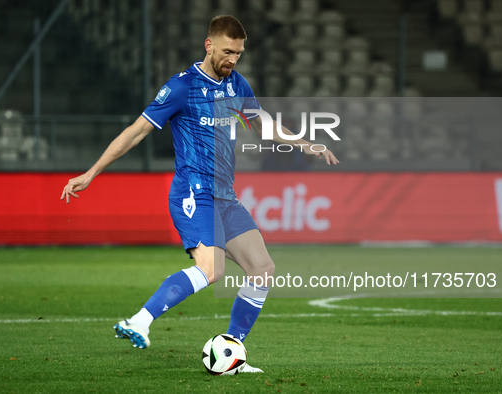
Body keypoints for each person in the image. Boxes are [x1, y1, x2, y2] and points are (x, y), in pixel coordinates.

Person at [61, 15, 339, 373]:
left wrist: (304, 143)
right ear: (209, 46)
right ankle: (139, 321)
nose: (233, 60)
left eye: (238, 53)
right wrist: (92, 172)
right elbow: (136, 132)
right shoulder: (182, 87)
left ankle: (231, 354)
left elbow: (262, 124)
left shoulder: (237, 84)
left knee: (262, 269)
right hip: (194, 192)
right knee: (211, 270)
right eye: (227, 52)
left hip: (225, 196)